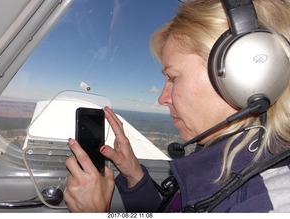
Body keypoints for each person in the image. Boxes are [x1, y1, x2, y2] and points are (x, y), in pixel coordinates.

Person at [64, 0, 290, 212]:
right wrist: (134, 176)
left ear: (249, 75)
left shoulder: (271, 202)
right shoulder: (216, 156)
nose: (162, 98)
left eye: (173, 78)